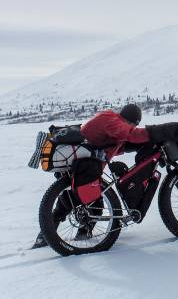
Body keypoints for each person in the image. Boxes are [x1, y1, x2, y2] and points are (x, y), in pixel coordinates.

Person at [32, 103, 150, 248]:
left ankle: (56, 235)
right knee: (81, 201)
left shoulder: (112, 120)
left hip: (79, 166)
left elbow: (111, 143)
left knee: (80, 200)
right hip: (86, 169)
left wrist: (127, 148)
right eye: (132, 123)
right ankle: (60, 235)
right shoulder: (114, 122)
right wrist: (152, 134)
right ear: (130, 120)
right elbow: (127, 134)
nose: (131, 126)